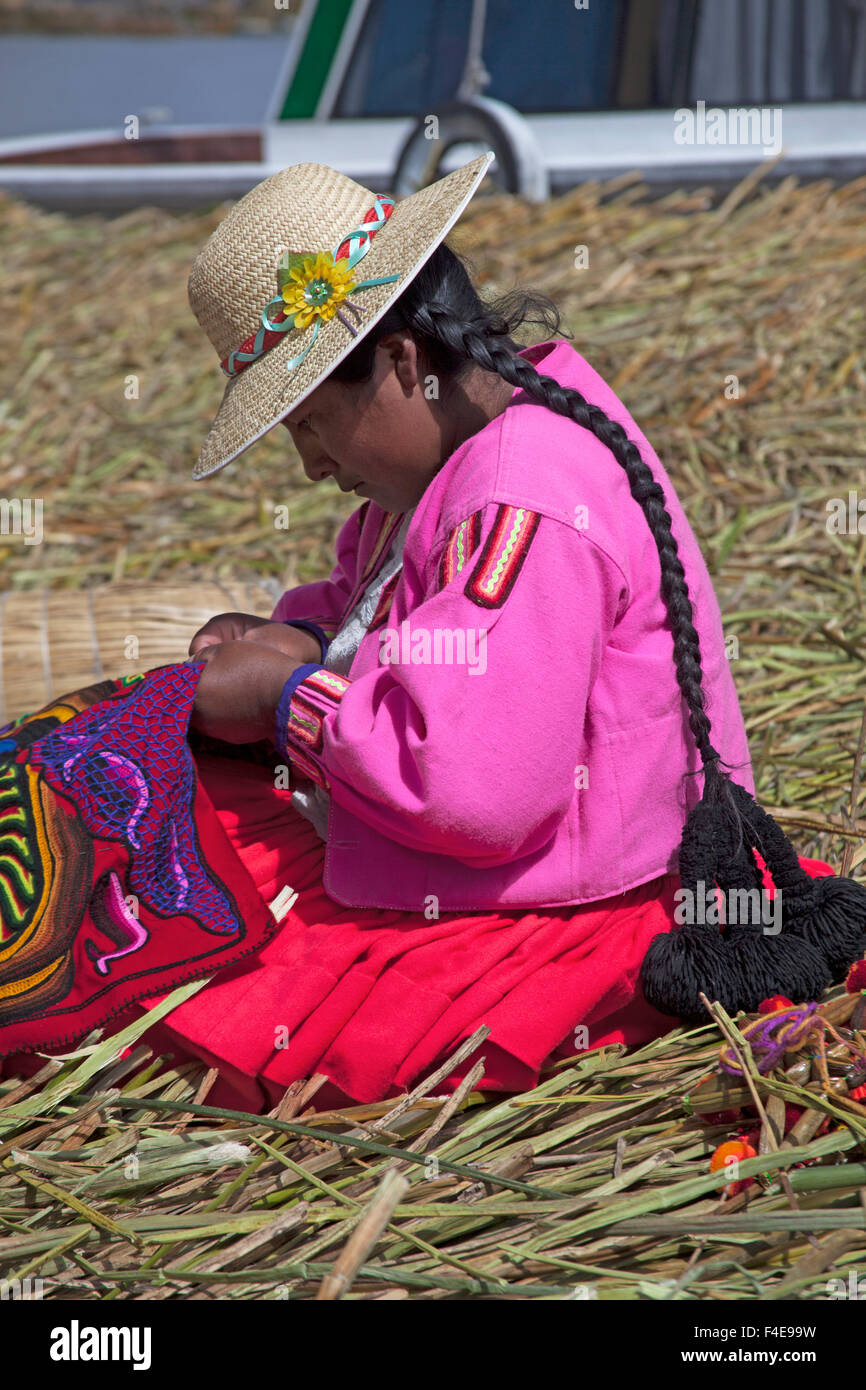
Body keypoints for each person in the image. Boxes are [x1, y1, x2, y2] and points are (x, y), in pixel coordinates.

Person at [1, 154, 862, 1113]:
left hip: (557, 907)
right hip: (459, 860)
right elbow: (388, 619)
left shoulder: (520, 500)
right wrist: (293, 636)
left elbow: (476, 788)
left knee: (157, 936)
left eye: (311, 425)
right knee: (106, 781)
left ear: (406, 362)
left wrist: (285, 701)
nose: (311, 465)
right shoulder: (441, 466)